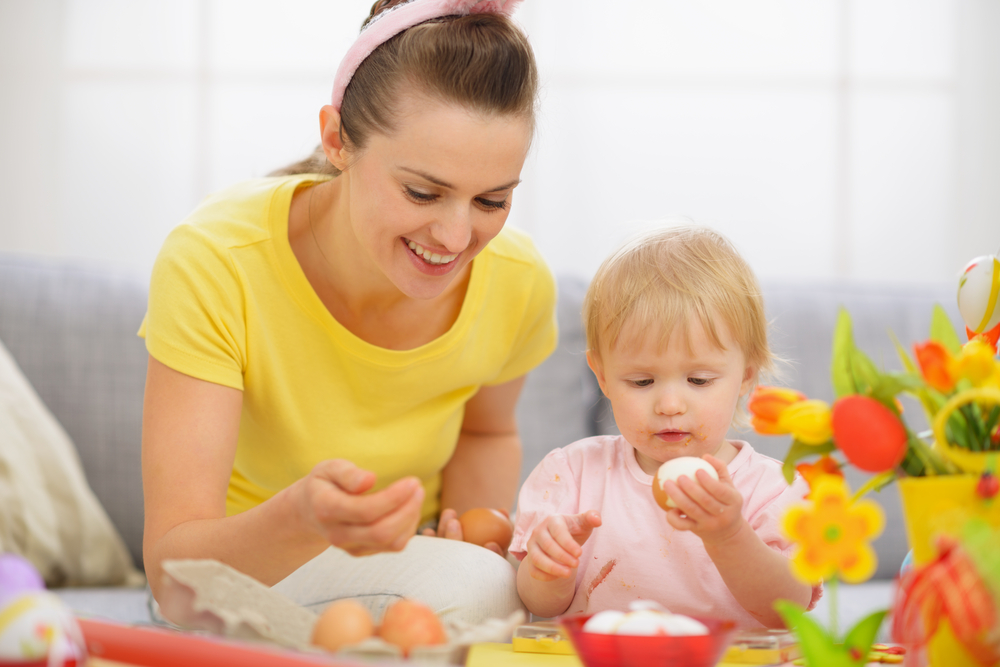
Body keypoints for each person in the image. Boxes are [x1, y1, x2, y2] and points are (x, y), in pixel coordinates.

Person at [140, 0, 553, 625]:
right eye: (422, 192)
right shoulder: (216, 260)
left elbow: (486, 429)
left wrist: (475, 530)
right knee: (488, 593)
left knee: (507, 584)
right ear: (337, 140)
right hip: (241, 572)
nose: (455, 236)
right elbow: (174, 576)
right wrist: (301, 521)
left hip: (415, 560)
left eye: (492, 200)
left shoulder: (517, 282)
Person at [511, 226, 820, 628]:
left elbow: (787, 610)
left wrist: (730, 536)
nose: (670, 405)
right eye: (642, 382)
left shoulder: (773, 491)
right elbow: (542, 606)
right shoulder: (571, 474)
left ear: (746, 376)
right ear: (602, 375)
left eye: (699, 381)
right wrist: (549, 569)